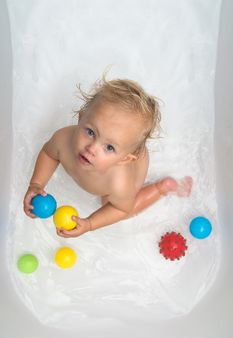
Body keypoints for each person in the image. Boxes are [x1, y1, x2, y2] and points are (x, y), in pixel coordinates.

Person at [23, 77, 193, 238]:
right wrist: (36, 184)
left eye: (109, 147)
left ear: (124, 159)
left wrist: (90, 223)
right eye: (90, 132)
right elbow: (48, 153)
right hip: (122, 152)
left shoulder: (119, 183)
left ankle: (161, 188)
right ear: (81, 118)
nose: (92, 148)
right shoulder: (63, 139)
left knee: (111, 204)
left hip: (133, 174)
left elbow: (122, 209)